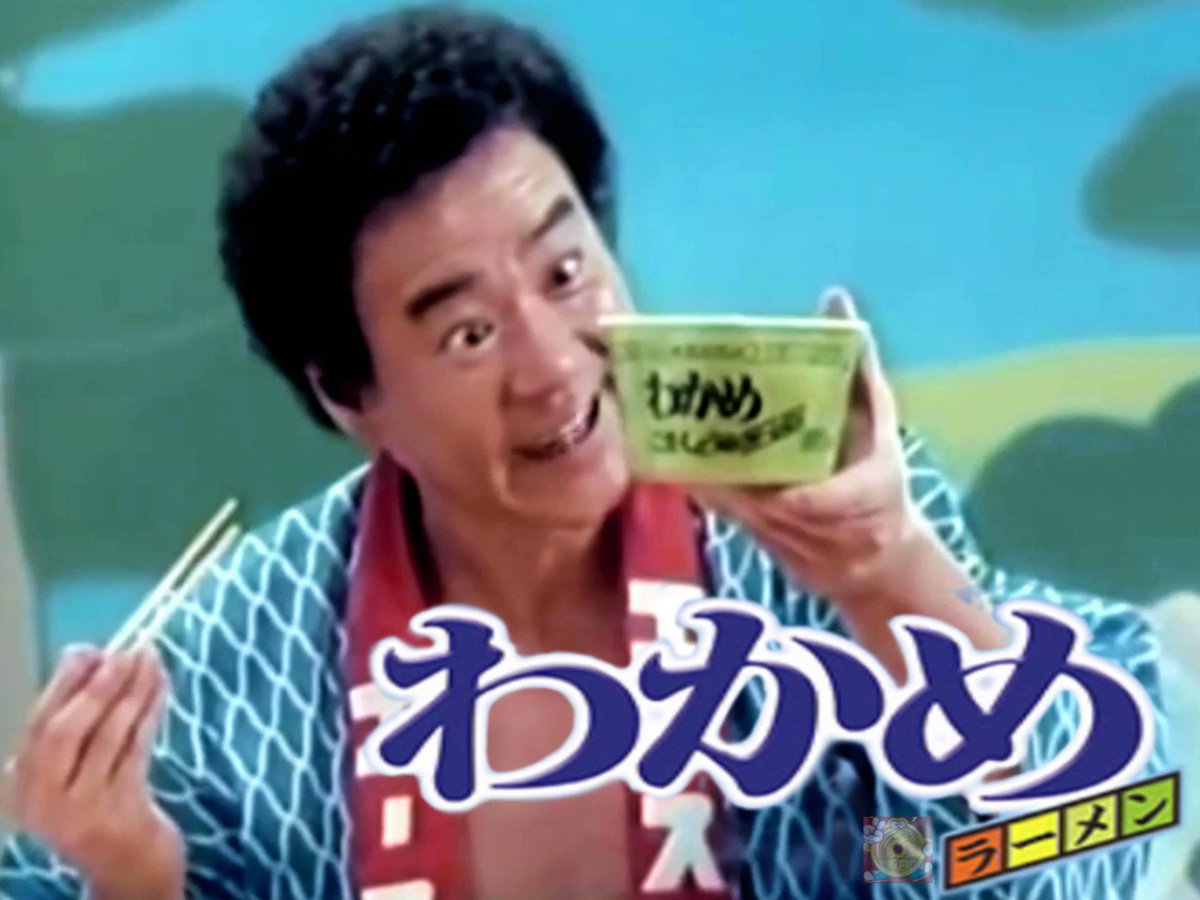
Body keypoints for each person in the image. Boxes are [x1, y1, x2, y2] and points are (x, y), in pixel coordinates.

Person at [0, 6, 1167, 899]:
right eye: (466, 332)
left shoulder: (821, 510)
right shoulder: (220, 676)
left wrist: (890, 578)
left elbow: (1088, 847)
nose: (556, 366)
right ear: (350, 398)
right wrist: (136, 884)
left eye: (566, 273)